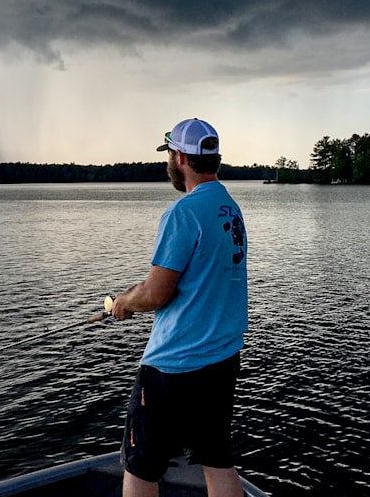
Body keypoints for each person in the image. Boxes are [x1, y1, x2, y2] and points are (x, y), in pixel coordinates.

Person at [111, 118, 248, 497]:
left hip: (174, 365)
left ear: (181, 158)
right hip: (221, 358)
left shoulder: (183, 213)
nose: (169, 162)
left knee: (140, 467)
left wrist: (124, 302)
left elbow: (156, 293)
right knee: (217, 458)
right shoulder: (230, 208)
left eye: (170, 154)